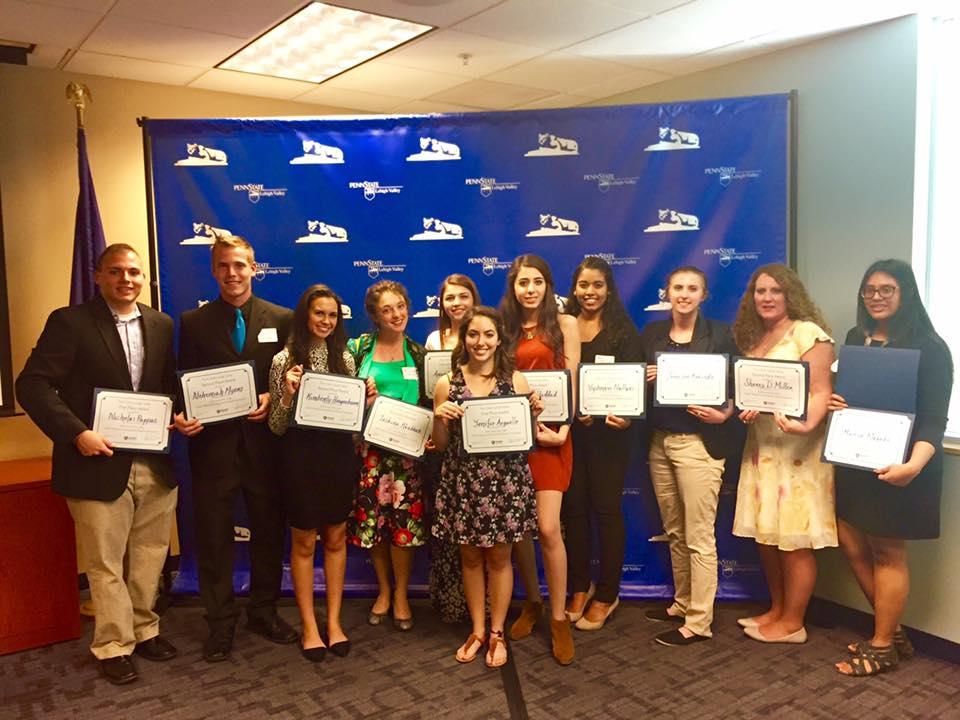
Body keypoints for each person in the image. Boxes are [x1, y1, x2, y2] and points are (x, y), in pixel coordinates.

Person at [16, 244, 179, 685]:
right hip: (94, 462)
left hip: (152, 462)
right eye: (116, 272)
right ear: (97, 276)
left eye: (134, 272)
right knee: (105, 563)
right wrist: (76, 433)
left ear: (143, 278)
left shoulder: (161, 324)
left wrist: (177, 414)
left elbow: (164, 387)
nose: (126, 279)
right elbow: (31, 386)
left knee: (149, 556)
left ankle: (145, 630)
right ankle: (112, 645)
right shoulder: (69, 322)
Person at [175, 236, 297, 662]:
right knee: (212, 540)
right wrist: (183, 413)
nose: (233, 273)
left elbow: (291, 379)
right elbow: (183, 382)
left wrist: (272, 397)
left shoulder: (281, 319)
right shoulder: (192, 322)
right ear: (214, 271)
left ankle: (263, 611)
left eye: (240, 265)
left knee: (268, 533)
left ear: (254, 267)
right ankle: (220, 622)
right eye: (224, 266)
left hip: (265, 451)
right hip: (212, 451)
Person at [831, 260, 953, 676]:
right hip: (855, 459)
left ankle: (881, 645)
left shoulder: (931, 347)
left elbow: (935, 419)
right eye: (869, 289)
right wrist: (836, 402)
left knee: (888, 553)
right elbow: (850, 394)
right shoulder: (855, 338)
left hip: (902, 465)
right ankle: (894, 630)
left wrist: (913, 466)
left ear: (906, 294)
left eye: (887, 289)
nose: (877, 296)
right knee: (850, 542)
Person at [731, 263, 836, 644]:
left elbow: (821, 390)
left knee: (794, 538)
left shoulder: (808, 333)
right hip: (762, 448)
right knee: (767, 534)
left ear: (790, 294)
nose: (767, 297)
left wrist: (806, 425)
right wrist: (748, 406)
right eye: (760, 291)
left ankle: (793, 623)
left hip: (798, 451)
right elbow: (756, 389)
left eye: (776, 290)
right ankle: (776, 610)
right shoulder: (755, 337)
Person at [268, 284, 372, 662]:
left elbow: (354, 425)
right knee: (303, 543)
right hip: (300, 460)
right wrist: (286, 396)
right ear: (305, 316)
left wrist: (367, 402)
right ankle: (310, 626)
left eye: (332, 315)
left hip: (337, 459)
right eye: (319, 314)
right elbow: (277, 427)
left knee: (336, 537)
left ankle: (334, 623)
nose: (326, 321)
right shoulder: (284, 360)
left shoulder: (345, 358)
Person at [432, 306, 540, 668]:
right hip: (463, 482)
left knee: (500, 558)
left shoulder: (517, 381)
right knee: (470, 558)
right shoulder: (447, 384)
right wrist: (439, 417)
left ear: (499, 339)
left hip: (505, 484)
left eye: (488, 335)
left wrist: (534, 415)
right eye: (473, 334)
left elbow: (528, 441)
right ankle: (477, 630)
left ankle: (497, 632)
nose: (481, 342)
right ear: (464, 339)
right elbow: (441, 444)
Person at [639, 266, 741, 645]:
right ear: (666, 292)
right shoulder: (651, 335)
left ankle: (699, 622)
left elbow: (737, 382)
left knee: (699, 535)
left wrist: (726, 412)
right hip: (660, 442)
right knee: (675, 531)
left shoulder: (720, 335)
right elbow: (633, 386)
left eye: (692, 288)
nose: (683, 294)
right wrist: (642, 379)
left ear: (704, 295)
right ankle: (681, 604)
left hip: (699, 443)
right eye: (677, 287)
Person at [500, 254, 580, 665]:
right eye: (521, 283)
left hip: (551, 438)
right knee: (519, 531)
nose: (529, 289)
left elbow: (573, 380)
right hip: (512, 440)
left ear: (548, 285)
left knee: (548, 528)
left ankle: (558, 616)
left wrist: (564, 429)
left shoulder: (565, 325)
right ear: (513, 287)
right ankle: (532, 601)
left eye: (536, 282)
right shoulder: (504, 328)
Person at [562, 257, 642, 632]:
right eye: (583, 285)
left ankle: (608, 593)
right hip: (570, 435)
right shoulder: (562, 326)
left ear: (608, 289)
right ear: (574, 289)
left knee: (607, 510)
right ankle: (580, 586)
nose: (590, 292)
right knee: (573, 509)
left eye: (597, 285)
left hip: (611, 436)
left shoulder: (623, 331)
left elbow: (637, 385)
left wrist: (626, 415)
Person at [347, 280, 427, 631]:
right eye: (387, 310)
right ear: (375, 316)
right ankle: (383, 590)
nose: (396, 314)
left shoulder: (420, 353)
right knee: (374, 526)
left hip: (407, 459)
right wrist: (359, 398)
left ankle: (402, 595)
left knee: (404, 529)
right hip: (370, 456)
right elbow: (337, 394)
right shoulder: (358, 348)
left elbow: (433, 403)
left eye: (400, 306)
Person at [424, 274, 480, 624]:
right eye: (449, 298)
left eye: (463, 296)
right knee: (449, 527)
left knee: (479, 529)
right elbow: (431, 391)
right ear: (441, 303)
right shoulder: (433, 339)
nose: (456, 303)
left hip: (481, 443)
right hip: (445, 440)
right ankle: (452, 602)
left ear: (474, 299)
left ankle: (483, 604)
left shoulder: (485, 334)